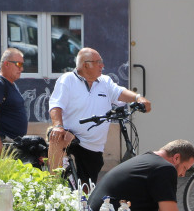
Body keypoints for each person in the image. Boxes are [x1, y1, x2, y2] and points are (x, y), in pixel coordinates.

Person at [48, 48, 152, 186]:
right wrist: (58, 126)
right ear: (85, 64)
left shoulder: (105, 81)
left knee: (87, 190)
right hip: (71, 136)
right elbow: (56, 104)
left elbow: (119, 92)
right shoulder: (68, 80)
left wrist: (138, 98)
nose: (102, 65)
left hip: (93, 146)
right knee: (58, 138)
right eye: (98, 62)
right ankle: (53, 184)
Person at [0, 48, 29, 157]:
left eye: (22, 65)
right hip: (0, 143)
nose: (21, 69)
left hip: (10, 143)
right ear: (6, 64)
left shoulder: (10, 84)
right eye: (18, 64)